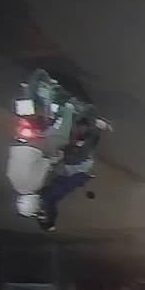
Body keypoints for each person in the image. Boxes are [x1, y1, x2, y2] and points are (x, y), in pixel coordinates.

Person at [34, 90, 111, 232]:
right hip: (60, 164)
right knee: (76, 146)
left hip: (63, 165)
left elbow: (65, 185)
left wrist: (82, 178)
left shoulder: (46, 198)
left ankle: (94, 124)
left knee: (79, 150)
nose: (42, 213)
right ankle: (79, 115)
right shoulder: (43, 197)